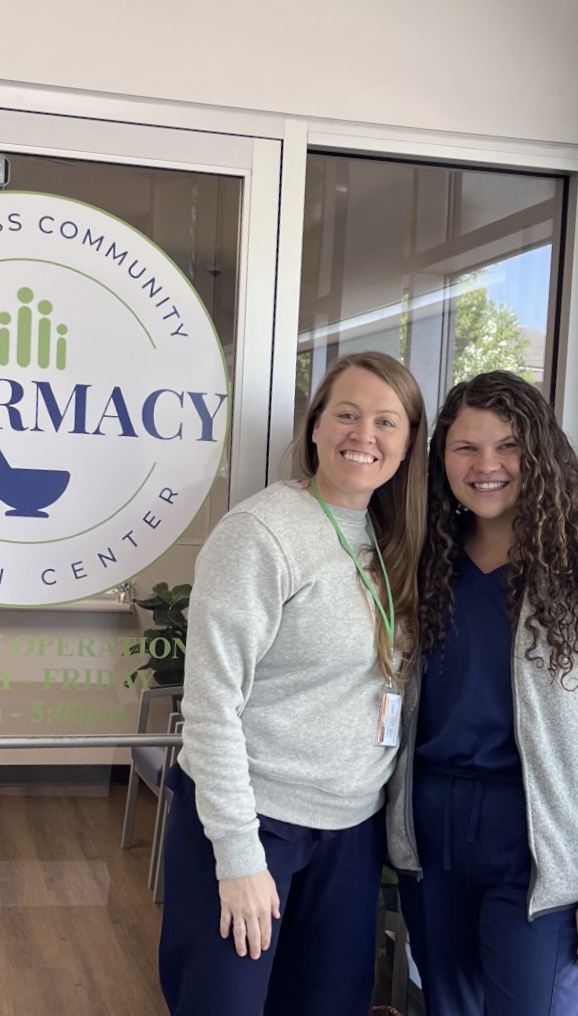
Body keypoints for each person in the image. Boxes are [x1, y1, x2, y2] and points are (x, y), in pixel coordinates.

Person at [386, 371, 578, 1016]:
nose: (487, 465)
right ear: (442, 460)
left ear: (539, 455)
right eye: (465, 448)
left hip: (541, 841)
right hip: (429, 832)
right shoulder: (425, 560)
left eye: (507, 446)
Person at [158, 351, 428, 1016]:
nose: (364, 435)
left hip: (349, 830)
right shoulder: (260, 532)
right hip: (255, 821)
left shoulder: (393, 541)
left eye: (386, 422)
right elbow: (213, 705)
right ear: (313, 428)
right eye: (347, 414)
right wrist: (239, 854)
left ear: (407, 446)